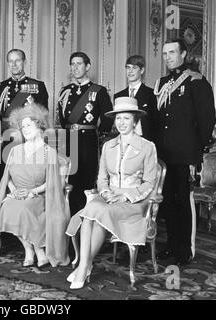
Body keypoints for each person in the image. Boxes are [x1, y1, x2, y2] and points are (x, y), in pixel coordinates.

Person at [65, 97, 158, 289]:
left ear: (135, 121)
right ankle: (86, 264)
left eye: (126, 118)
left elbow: (150, 183)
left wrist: (125, 196)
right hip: (109, 197)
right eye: (118, 119)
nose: (122, 123)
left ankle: (83, 266)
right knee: (93, 211)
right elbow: (101, 179)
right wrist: (106, 193)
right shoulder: (108, 146)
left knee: (97, 212)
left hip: (133, 202)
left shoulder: (148, 147)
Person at [154, 39, 216, 265]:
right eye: (164, 53)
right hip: (164, 156)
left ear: (183, 53)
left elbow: (207, 120)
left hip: (185, 155)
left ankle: (185, 251)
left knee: (184, 203)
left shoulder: (196, 81)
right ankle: (171, 246)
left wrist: (195, 153)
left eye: (172, 52)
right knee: (168, 203)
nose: (168, 57)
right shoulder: (161, 83)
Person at [0, 103, 70, 268]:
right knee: (8, 206)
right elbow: (7, 177)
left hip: (40, 196)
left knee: (23, 208)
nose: (25, 129)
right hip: (18, 194)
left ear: (39, 125)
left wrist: (32, 192)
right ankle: (31, 250)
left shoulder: (49, 152)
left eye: (28, 125)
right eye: (22, 126)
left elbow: (53, 182)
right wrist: (14, 192)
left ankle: (37, 250)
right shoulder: (14, 151)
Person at [57, 51, 113, 216]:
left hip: (88, 141)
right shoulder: (65, 91)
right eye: (72, 64)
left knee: (87, 179)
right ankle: (71, 217)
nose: (75, 67)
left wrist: (101, 134)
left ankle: (86, 217)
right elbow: (62, 118)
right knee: (69, 179)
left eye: (79, 64)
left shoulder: (99, 91)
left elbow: (107, 118)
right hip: (68, 140)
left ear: (87, 66)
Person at [0, 49, 49, 132]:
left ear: (24, 62)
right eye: (11, 61)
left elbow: (42, 115)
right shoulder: (0, 87)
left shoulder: (38, 85)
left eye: (17, 60)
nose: (14, 64)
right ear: (8, 64)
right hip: (7, 134)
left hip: (28, 134)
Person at [114, 55, 157, 141]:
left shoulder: (151, 94)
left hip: (145, 142)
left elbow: (156, 123)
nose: (130, 71)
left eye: (134, 68)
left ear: (142, 70)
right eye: (128, 67)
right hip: (124, 142)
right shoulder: (118, 96)